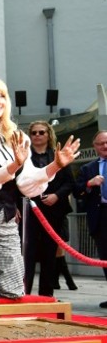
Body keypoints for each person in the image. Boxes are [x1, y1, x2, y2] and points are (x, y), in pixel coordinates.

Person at [0, 76, 80, 301]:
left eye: (2, 96)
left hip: (6, 223)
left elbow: (26, 185)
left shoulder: (15, 136)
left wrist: (55, 165)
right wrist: (14, 164)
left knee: (15, 291)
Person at [22, 120, 76, 295]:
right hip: (29, 211)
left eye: (41, 132)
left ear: (48, 135)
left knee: (49, 255)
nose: (37, 136)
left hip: (53, 212)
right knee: (26, 254)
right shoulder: (23, 156)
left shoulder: (58, 156)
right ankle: (24, 293)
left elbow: (70, 183)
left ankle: (46, 295)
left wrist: (57, 196)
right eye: (34, 133)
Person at [74, 129, 107, 308]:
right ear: (95, 147)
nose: (105, 146)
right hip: (101, 216)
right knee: (105, 258)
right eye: (101, 143)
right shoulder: (88, 168)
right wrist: (89, 184)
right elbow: (77, 192)